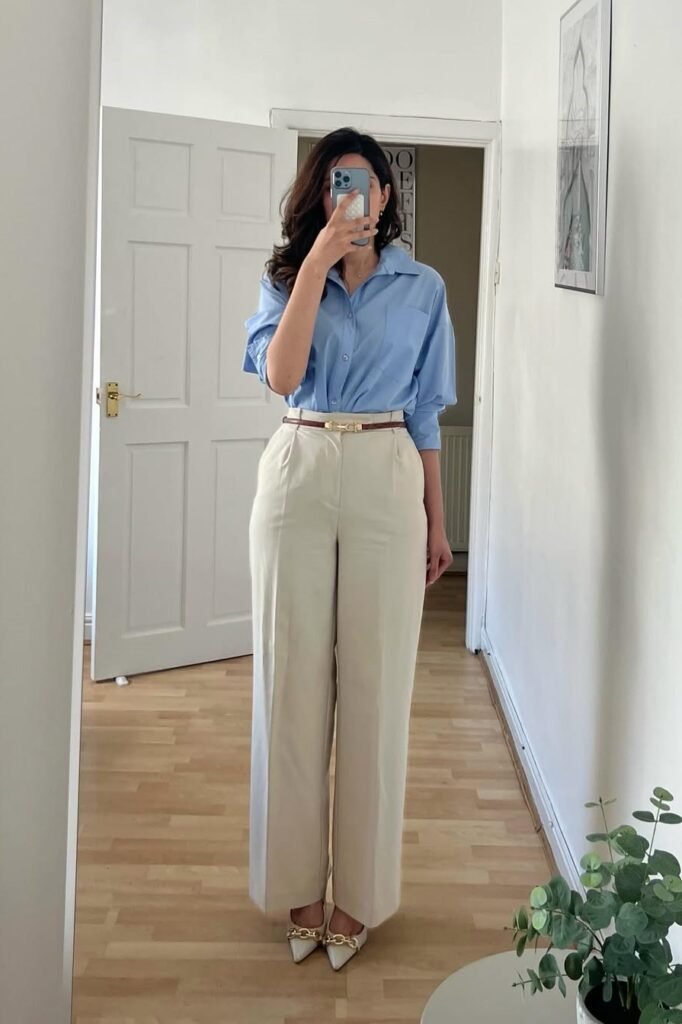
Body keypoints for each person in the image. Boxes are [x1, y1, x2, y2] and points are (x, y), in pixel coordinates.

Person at [242, 127, 457, 970]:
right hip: (298, 460)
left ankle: (360, 898)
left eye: (367, 184)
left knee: (375, 688)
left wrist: (439, 523)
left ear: (389, 196)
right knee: (289, 680)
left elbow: (429, 414)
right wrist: (315, 268)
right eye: (339, 183)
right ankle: (295, 889)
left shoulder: (424, 287)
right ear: (318, 193)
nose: (354, 197)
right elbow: (282, 375)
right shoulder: (283, 278)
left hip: (386, 466)